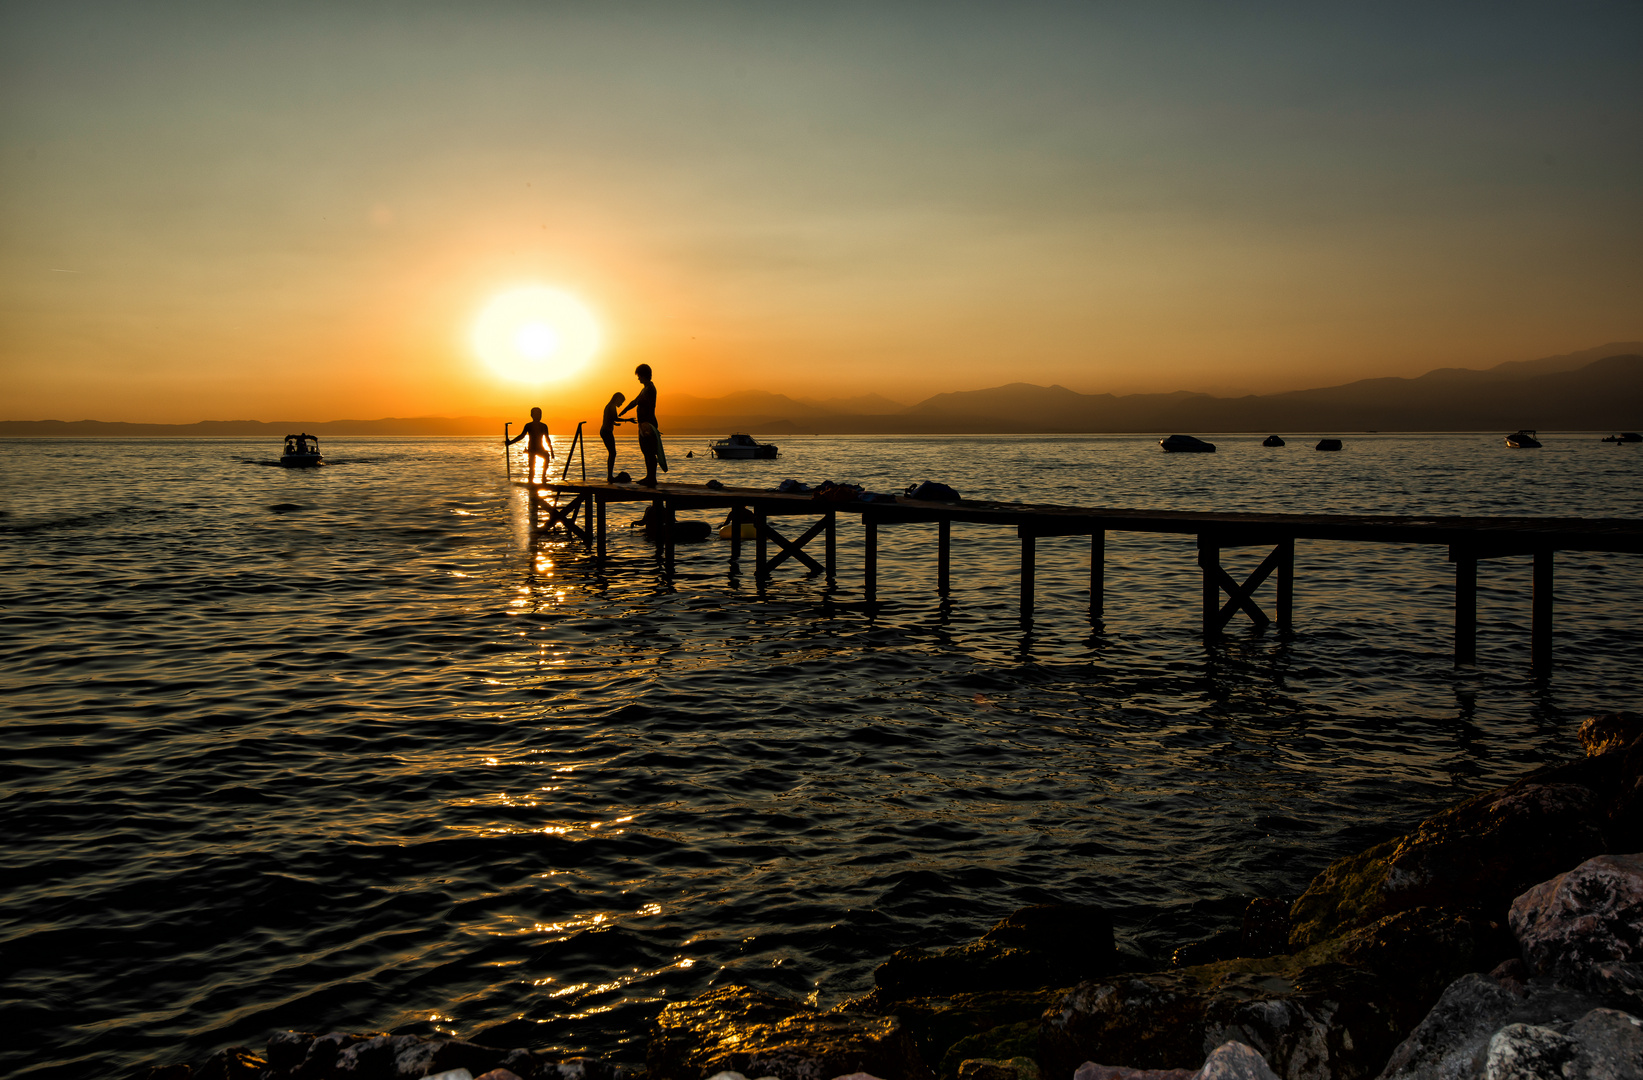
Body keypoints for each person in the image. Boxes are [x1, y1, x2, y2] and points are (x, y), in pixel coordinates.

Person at [618, 363, 664, 487]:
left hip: (648, 423)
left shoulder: (650, 389)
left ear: (644, 375)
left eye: (639, 376)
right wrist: (625, 410)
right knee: (645, 451)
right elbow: (635, 401)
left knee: (650, 451)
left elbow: (641, 402)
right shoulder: (645, 389)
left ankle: (652, 478)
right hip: (643, 424)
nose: (638, 378)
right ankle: (649, 476)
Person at [506, 407, 553, 483]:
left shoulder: (543, 426)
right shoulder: (528, 425)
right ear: (532, 415)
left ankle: (543, 477)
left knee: (546, 457)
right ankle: (531, 480)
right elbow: (521, 436)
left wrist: (551, 450)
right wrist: (510, 442)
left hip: (540, 448)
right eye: (537, 415)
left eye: (540, 414)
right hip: (532, 449)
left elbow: (547, 439)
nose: (539, 416)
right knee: (532, 467)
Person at [599, 392, 631, 482]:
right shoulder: (612, 406)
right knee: (612, 453)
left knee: (612, 453)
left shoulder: (608, 406)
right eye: (621, 402)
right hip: (606, 432)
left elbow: (609, 418)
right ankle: (609, 476)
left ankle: (610, 476)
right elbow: (615, 417)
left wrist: (614, 424)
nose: (621, 404)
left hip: (605, 431)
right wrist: (628, 420)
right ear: (617, 399)